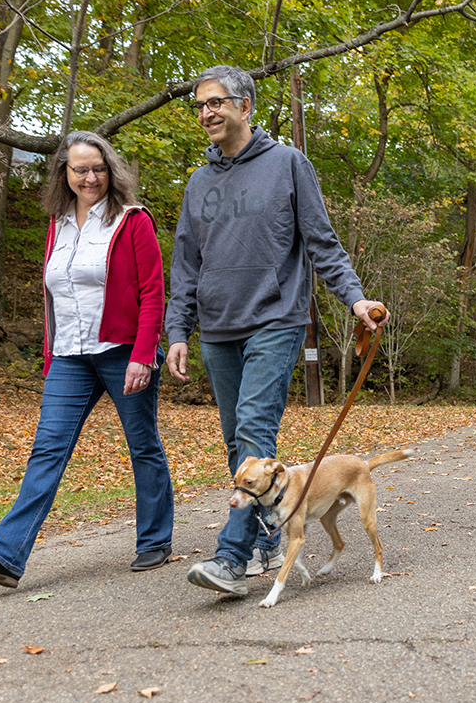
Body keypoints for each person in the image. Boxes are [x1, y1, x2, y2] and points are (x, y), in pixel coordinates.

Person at [165, 65, 387, 596]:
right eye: (199, 106)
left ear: (245, 106)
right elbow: (185, 265)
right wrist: (178, 329)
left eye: (216, 102)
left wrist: (354, 299)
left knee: (253, 428)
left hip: (275, 319)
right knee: (235, 442)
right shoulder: (199, 182)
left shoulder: (288, 164)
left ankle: (230, 557)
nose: (206, 113)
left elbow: (321, 241)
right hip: (218, 327)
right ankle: (269, 538)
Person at [0, 131, 174, 588]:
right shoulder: (57, 224)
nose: (90, 177)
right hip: (69, 358)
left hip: (122, 352)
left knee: (143, 445)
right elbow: (53, 295)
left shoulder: (132, 221)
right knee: (47, 450)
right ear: (65, 173)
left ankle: (154, 539)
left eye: (98, 168)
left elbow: (153, 292)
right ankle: (6, 555)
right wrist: (48, 355)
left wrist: (143, 354)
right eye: (80, 169)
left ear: (110, 170)